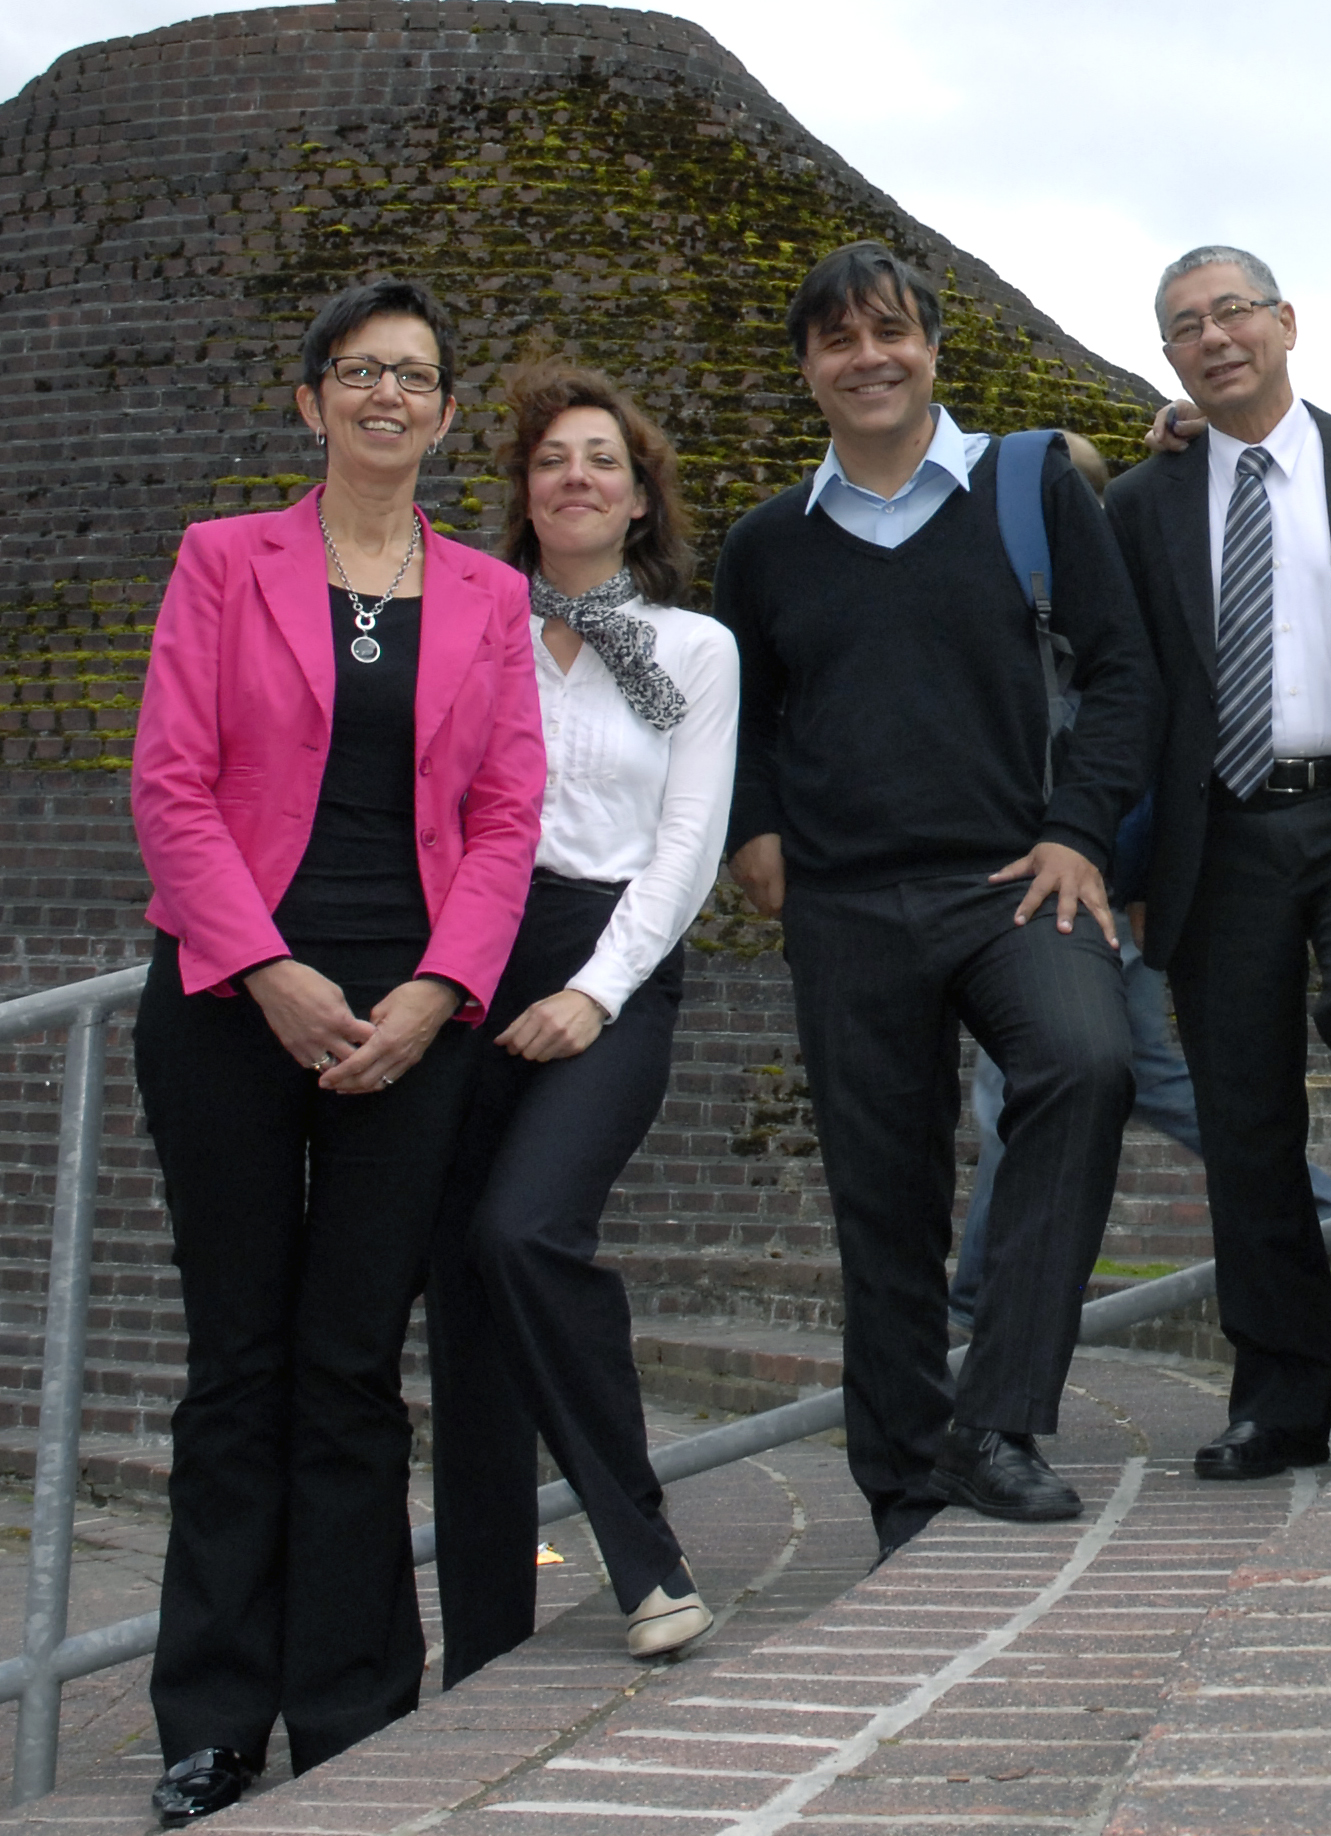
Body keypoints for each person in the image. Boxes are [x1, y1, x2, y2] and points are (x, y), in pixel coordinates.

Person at [129, 278, 544, 1824]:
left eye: (416, 378)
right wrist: (270, 969)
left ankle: (355, 1712)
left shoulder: (491, 597)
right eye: (357, 373)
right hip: (235, 1005)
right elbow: (171, 787)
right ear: (310, 404)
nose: (386, 397)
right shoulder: (222, 561)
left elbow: (507, 815)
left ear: (443, 415)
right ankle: (213, 1720)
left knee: (355, 1369)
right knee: (239, 1366)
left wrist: (441, 990)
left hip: (411, 1017)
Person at [720, 242, 1159, 1558]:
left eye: (891, 334)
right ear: (808, 370)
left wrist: (1081, 831)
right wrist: (752, 830)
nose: (869, 359)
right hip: (848, 905)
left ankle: (998, 1418)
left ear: (931, 347)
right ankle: (907, 1491)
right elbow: (739, 716)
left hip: (1009, 880)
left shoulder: (1029, 490)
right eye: (839, 340)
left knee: (1088, 1063)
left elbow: (1127, 674)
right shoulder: (766, 545)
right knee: (883, 1196)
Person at [1107, 245, 1331, 1482]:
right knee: (1241, 1109)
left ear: (1286, 321)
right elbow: (1126, 690)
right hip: (1225, 828)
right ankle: (1276, 1395)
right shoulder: (1140, 504)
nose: (1214, 339)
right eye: (1185, 327)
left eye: (1233, 312)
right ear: (1170, 361)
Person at [424, 362, 739, 1685]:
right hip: (463, 959)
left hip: (608, 962)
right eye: (551, 458)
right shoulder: (474, 627)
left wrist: (594, 990)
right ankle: (487, 1631)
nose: (575, 477)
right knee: (460, 1291)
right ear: (523, 490)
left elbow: (685, 848)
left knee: (526, 1229)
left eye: (600, 459)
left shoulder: (690, 650)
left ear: (637, 493)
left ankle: (645, 1553)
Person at [950, 435, 1331, 1336]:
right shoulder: (1048, 599)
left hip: (1083, 886)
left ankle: (976, 1301)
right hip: (1073, 885)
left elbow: (1131, 755)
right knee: (1103, 1079)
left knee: (1050, 1088)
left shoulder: (1083, 612)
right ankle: (1323, 1207)